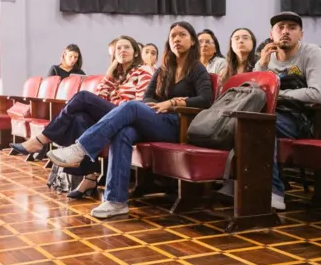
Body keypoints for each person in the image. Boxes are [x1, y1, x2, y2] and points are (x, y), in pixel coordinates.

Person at [46, 22, 213, 218]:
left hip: (177, 124)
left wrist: (171, 103)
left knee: (131, 105)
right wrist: (152, 107)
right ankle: (116, 201)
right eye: (172, 36)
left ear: (193, 41)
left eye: (182, 35)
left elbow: (205, 100)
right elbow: (148, 97)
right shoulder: (164, 69)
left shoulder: (197, 69)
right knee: (123, 132)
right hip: (157, 119)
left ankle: (80, 149)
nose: (176, 39)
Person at [10, 36, 153, 198]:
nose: (122, 51)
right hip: (111, 115)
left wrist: (118, 104)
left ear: (136, 53)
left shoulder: (143, 70)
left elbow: (140, 103)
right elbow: (101, 96)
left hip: (126, 116)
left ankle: (42, 139)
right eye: (118, 49)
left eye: (127, 47)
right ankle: (90, 177)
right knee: (80, 119)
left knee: (83, 97)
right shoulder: (117, 74)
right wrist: (111, 72)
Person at [256, 11, 321, 211]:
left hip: (308, 119)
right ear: (271, 34)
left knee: (260, 124)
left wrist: (279, 94)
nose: (285, 32)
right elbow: (252, 92)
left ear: (301, 34)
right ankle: (240, 184)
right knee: (245, 121)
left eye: (292, 28)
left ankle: (274, 190)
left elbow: (319, 94)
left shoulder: (312, 52)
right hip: (274, 114)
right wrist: (262, 65)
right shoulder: (267, 58)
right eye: (280, 27)